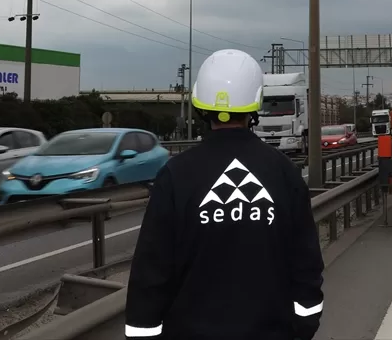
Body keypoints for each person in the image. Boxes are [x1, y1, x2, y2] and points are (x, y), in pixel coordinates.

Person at [124, 49, 324, 339]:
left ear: (200, 106)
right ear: (256, 103)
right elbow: (305, 264)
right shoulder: (283, 172)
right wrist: (302, 328)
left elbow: (151, 273)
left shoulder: (176, 175)